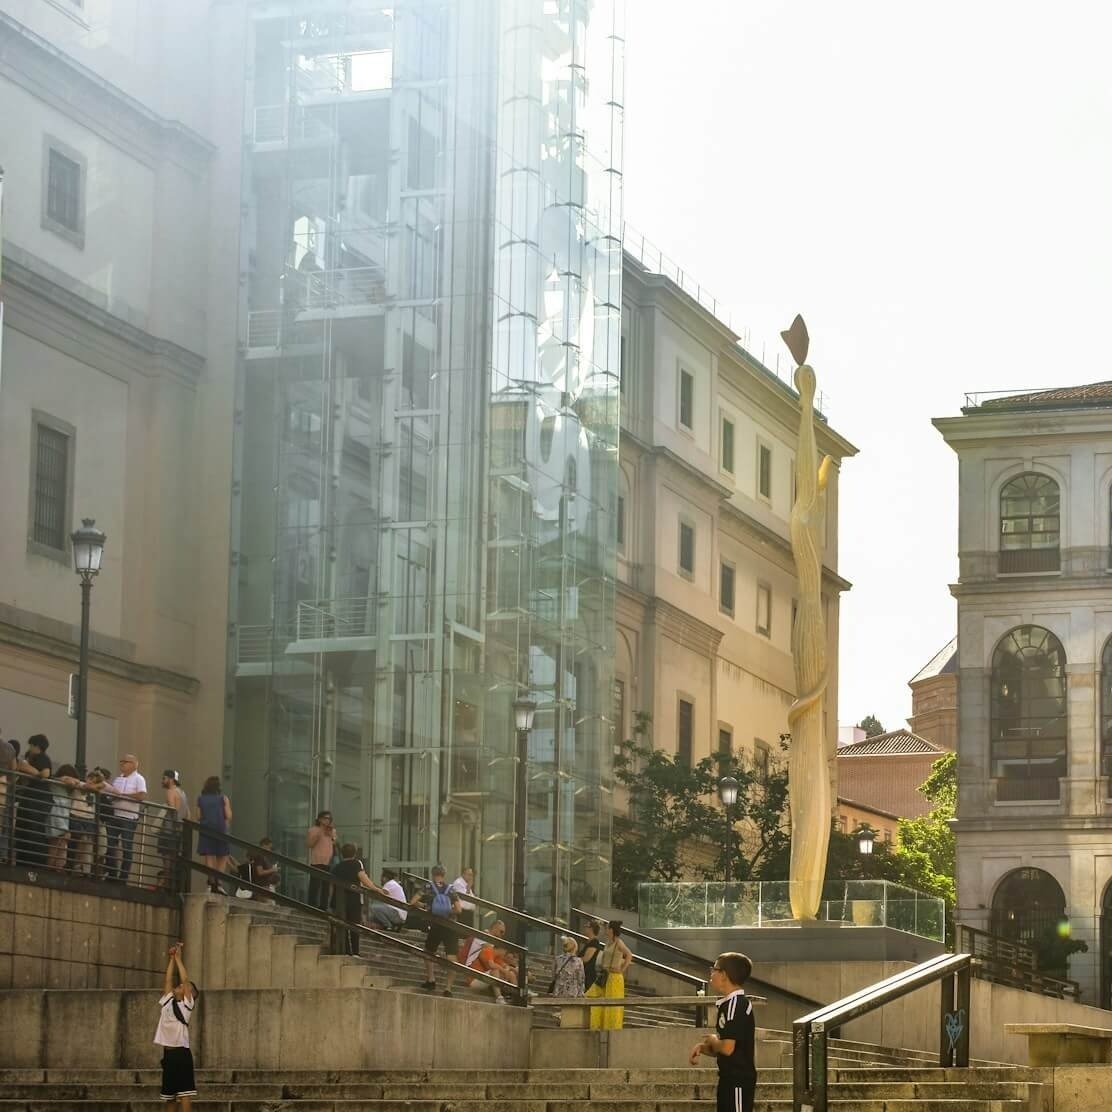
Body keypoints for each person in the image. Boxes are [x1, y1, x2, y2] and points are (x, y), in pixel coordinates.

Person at [688, 952, 757, 1112]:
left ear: (724, 975)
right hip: (728, 1078)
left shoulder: (736, 1004)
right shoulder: (728, 1004)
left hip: (738, 1079)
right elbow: (727, 1048)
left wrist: (712, 1040)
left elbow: (727, 1047)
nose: (711, 973)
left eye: (714, 969)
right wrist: (703, 1048)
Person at [155, 942, 198, 1111]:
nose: (179, 986)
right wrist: (172, 958)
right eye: (179, 986)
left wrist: (179, 959)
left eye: (182, 987)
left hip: (181, 1053)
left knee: (184, 1094)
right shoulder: (167, 1001)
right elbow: (167, 979)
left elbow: (185, 980)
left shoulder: (186, 1006)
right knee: (169, 1096)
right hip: (168, 1054)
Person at [411, 864, 461, 995]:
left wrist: (428, 907)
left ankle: (431, 979)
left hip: (436, 924)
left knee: (428, 952)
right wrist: (448, 910)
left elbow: (413, 901)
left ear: (433, 875)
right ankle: (448, 988)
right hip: (451, 925)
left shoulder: (427, 887)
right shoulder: (451, 889)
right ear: (444, 875)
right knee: (452, 956)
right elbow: (459, 909)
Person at [105, 754, 147, 883]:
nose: (122, 764)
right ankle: (112, 874)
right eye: (121, 761)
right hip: (115, 815)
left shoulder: (139, 779)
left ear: (134, 764)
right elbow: (113, 793)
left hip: (129, 817)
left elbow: (142, 795)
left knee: (126, 846)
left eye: (125, 762)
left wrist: (123, 795)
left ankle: (123, 877)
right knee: (111, 845)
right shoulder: (118, 779)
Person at [330, 843, 376, 955]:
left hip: (339, 900)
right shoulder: (356, 864)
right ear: (354, 853)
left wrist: (331, 901)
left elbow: (331, 886)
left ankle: (346, 950)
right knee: (354, 925)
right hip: (353, 899)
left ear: (342, 853)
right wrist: (375, 888)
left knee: (343, 925)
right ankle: (355, 951)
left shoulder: (337, 867)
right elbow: (363, 878)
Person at [14, 734, 52, 867]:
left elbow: (45, 773)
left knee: (31, 829)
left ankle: (29, 861)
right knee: (29, 829)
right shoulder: (38, 758)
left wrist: (30, 770)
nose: (30, 748)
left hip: (36, 799)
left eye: (31, 745)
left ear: (37, 746)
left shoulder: (41, 758)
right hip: (36, 799)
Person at [589, 919, 633, 1031]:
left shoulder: (619, 942)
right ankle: (598, 1025)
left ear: (612, 930)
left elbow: (628, 955)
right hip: (605, 975)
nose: (606, 930)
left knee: (612, 1006)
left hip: (614, 977)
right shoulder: (609, 942)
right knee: (596, 998)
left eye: (607, 928)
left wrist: (622, 969)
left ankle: (611, 1028)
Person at [459, 919, 517, 1003]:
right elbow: (491, 964)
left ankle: (517, 997)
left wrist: (511, 969)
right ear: (495, 928)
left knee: (510, 973)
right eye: (501, 932)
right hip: (473, 976)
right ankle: (499, 997)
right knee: (496, 970)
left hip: (483, 975)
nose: (502, 935)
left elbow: (498, 962)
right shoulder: (483, 937)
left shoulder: (491, 943)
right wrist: (504, 970)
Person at [195, 777, 232, 893]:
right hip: (221, 830)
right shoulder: (223, 798)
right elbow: (228, 815)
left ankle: (210, 884)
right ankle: (219, 882)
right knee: (222, 856)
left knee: (209, 856)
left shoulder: (200, 799)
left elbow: (198, 816)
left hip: (206, 829)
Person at [158, 771, 191, 887]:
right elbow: (187, 812)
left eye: (164, 778)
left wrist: (175, 823)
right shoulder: (182, 793)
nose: (162, 781)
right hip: (179, 830)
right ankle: (173, 884)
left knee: (166, 857)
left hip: (169, 829)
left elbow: (173, 809)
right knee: (174, 857)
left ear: (171, 779)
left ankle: (166, 883)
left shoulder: (170, 791)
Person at [306, 811, 338, 909]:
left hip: (328, 861)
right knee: (315, 885)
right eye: (325, 818)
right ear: (319, 819)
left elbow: (334, 843)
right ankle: (312, 906)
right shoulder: (313, 830)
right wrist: (320, 832)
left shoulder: (332, 831)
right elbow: (309, 844)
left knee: (326, 886)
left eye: (329, 819)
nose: (327, 820)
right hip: (317, 861)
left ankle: (323, 907)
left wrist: (331, 834)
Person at [579, 919, 603, 1006]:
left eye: (587, 927)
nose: (585, 928)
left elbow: (586, 959)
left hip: (588, 974)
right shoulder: (589, 942)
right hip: (583, 973)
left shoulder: (594, 942)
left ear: (591, 929)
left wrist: (574, 960)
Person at [0, 737, 15, 865]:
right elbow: (13, 769)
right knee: (3, 822)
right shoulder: (9, 748)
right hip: (3, 784)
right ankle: (3, 854)